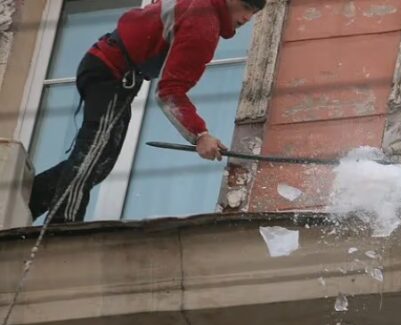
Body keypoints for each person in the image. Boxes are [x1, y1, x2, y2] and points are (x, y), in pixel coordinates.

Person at [29, 0, 264, 224]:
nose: (246, 17)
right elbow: (169, 92)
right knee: (93, 151)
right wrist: (200, 134)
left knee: (99, 161)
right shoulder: (204, 22)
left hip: (111, 69)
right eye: (245, 6)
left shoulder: (200, 10)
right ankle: (62, 225)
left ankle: (29, 199)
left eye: (253, 12)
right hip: (111, 72)